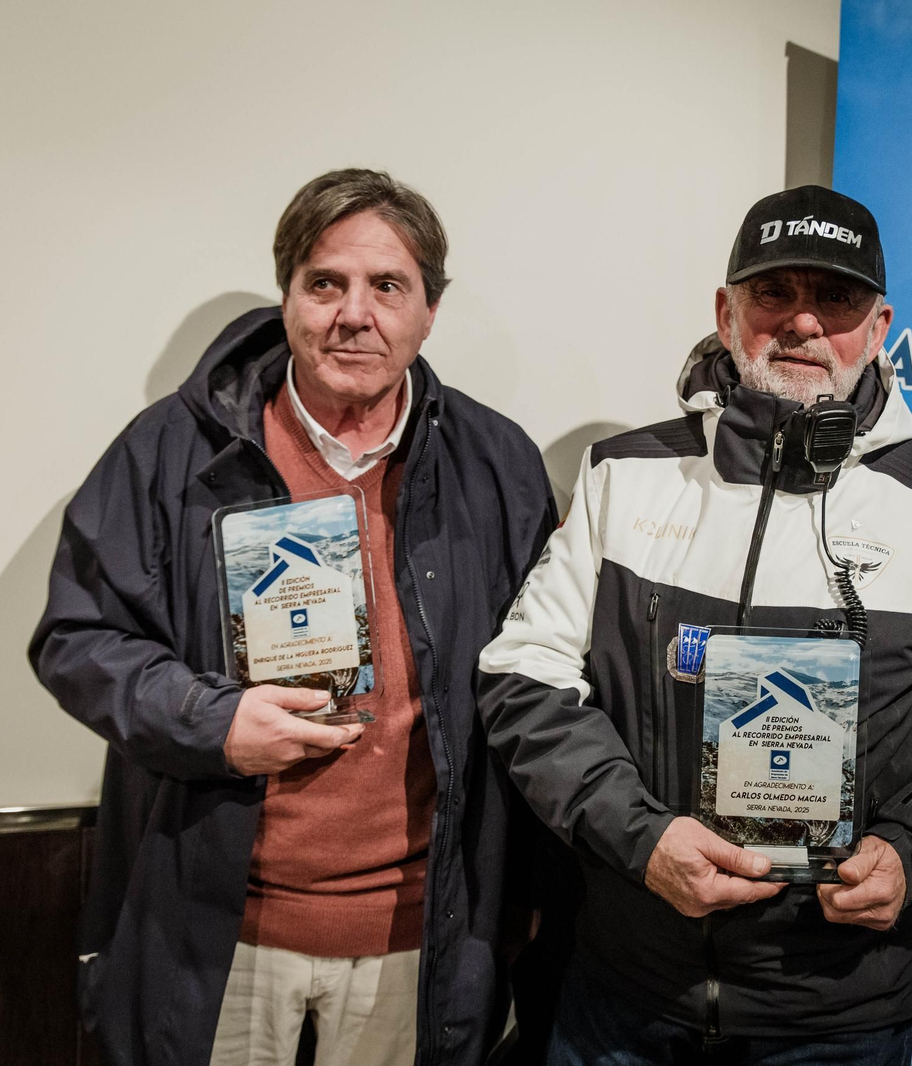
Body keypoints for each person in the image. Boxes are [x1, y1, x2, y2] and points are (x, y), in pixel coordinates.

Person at [477, 185, 912, 1064]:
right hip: (625, 991)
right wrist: (641, 840)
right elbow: (523, 675)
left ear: (879, 328)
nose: (802, 322)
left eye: (836, 298)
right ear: (727, 315)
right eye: (773, 293)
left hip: (837, 1012)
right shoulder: (623, 475)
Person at [31, 168, 555, 1066]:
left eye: (387, 286)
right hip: (219, 934)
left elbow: (540, 674)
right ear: (287, 298)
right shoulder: (169, 451)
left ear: (430, 310)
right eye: (325, 283)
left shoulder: (498, 464)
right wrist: (214, 722)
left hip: (420, 938)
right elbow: (77, 640)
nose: (355, 314)